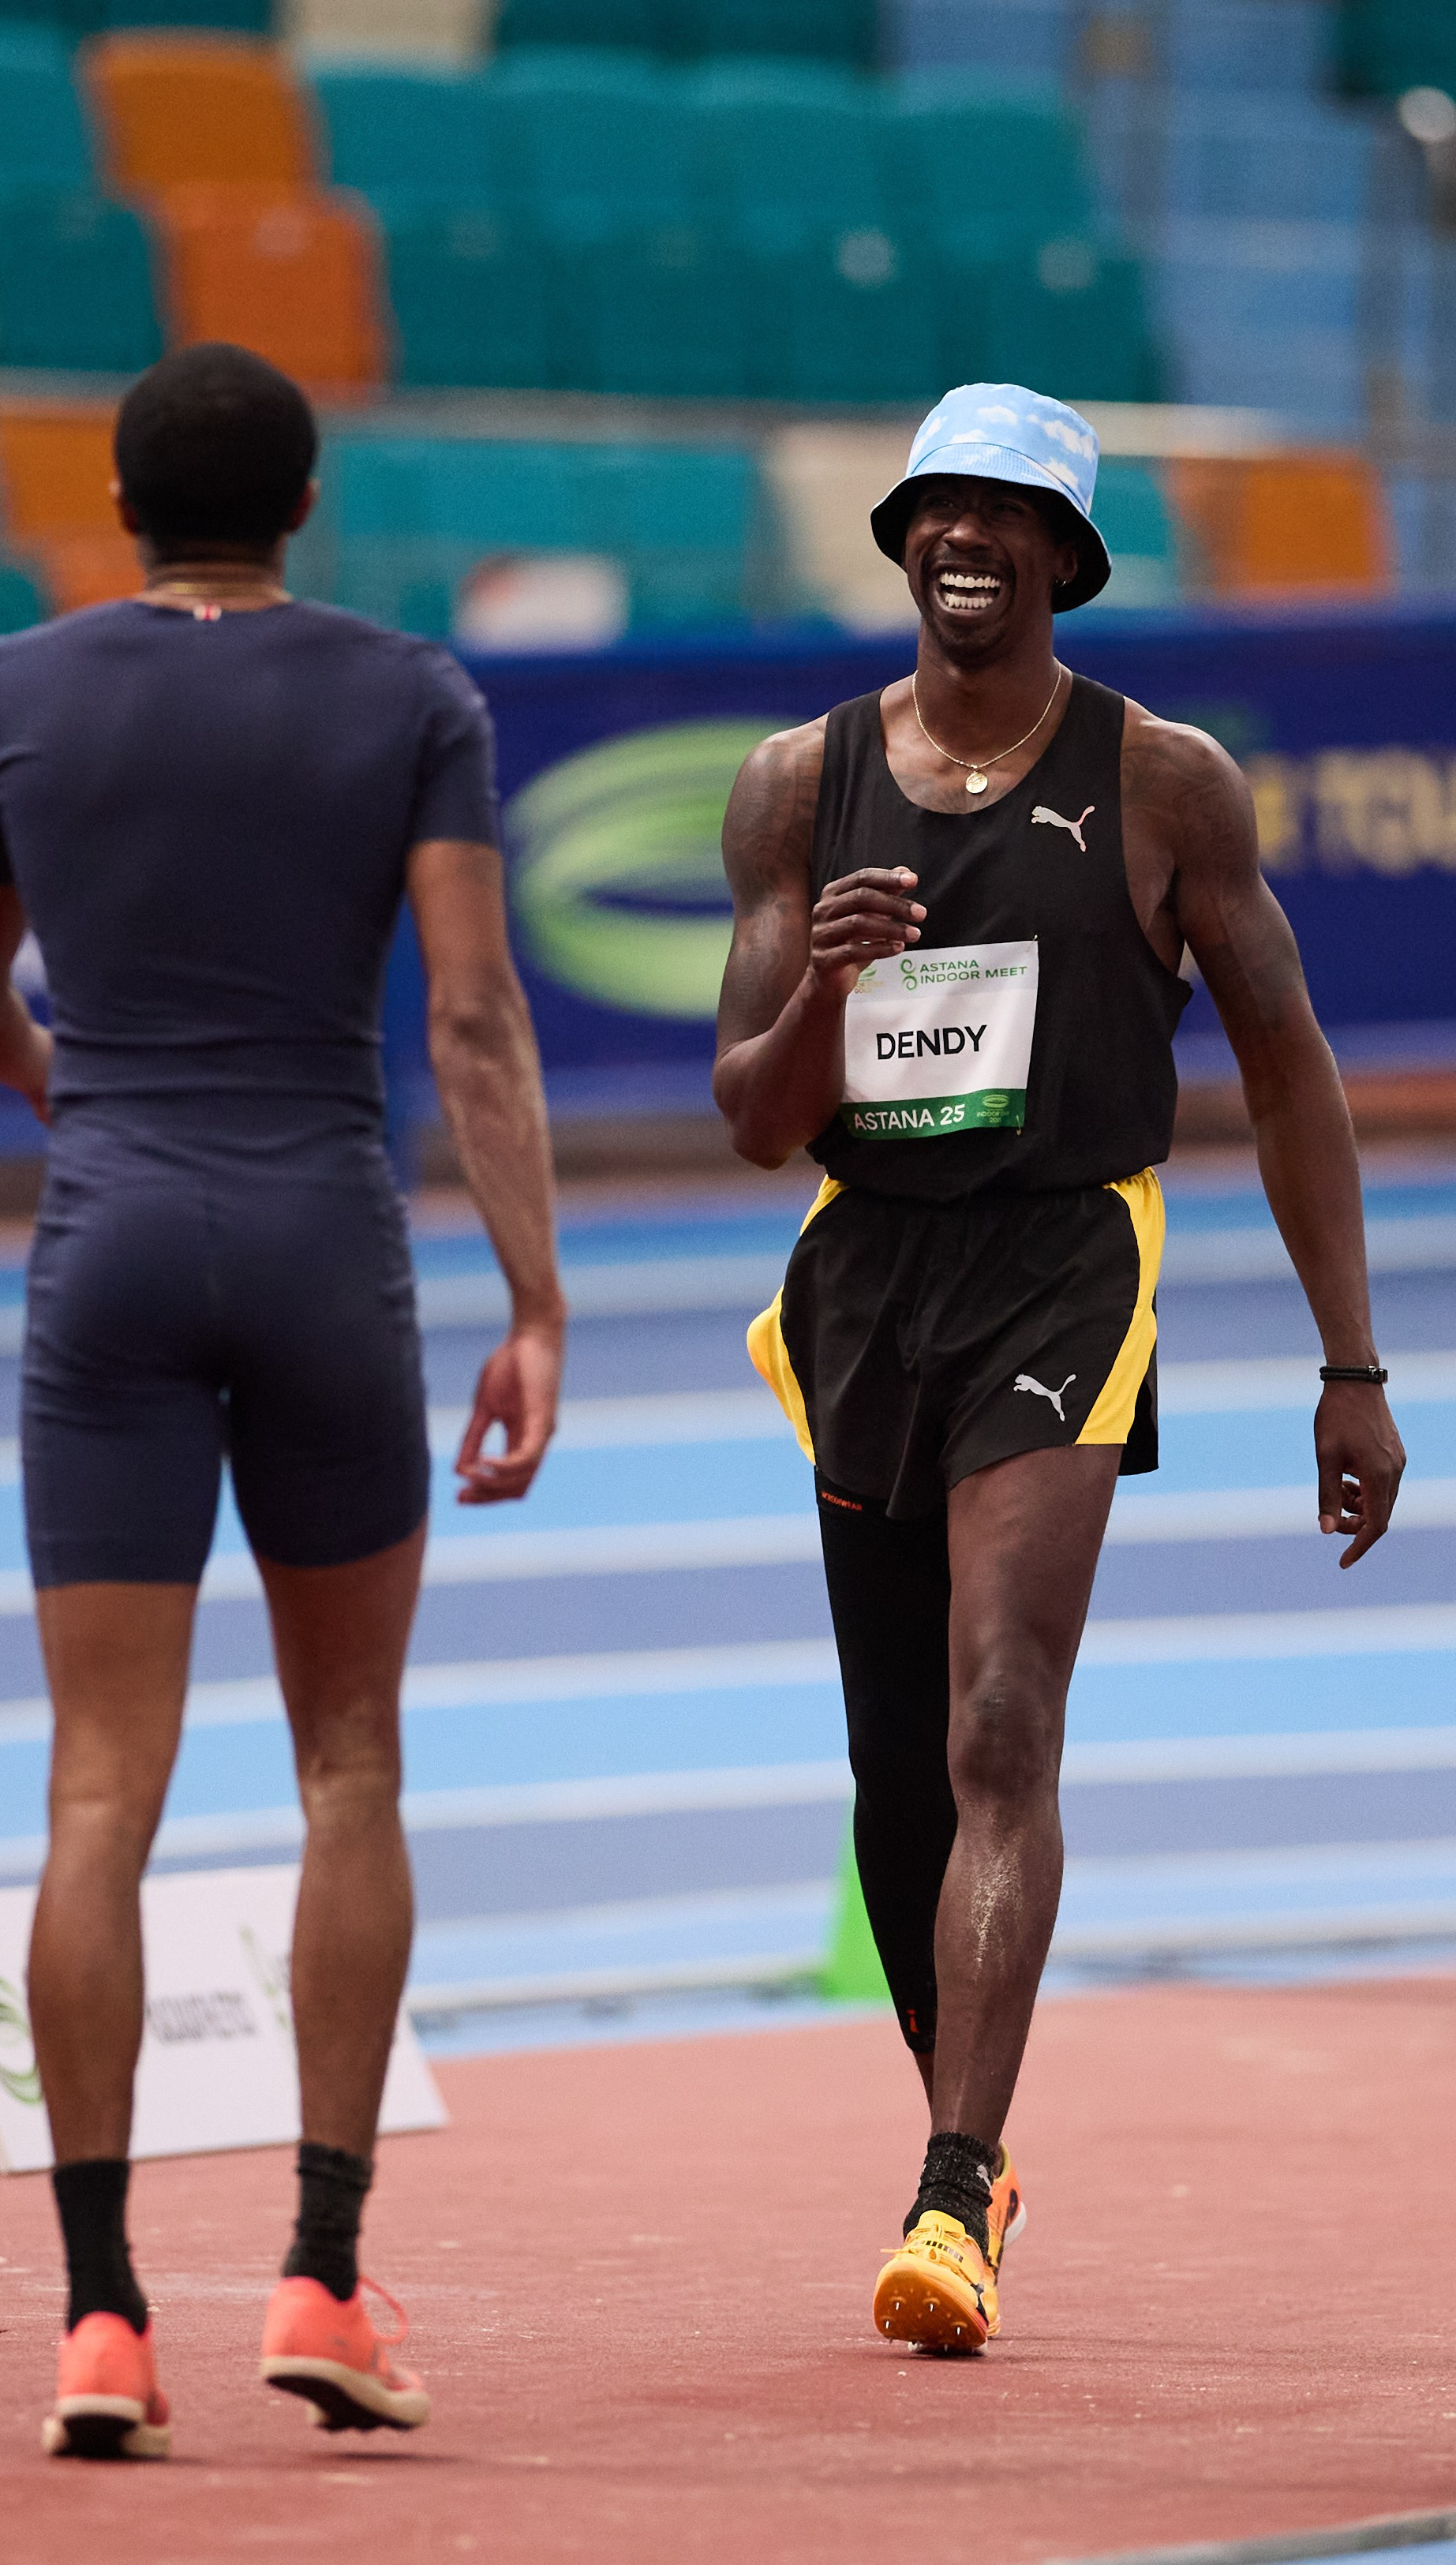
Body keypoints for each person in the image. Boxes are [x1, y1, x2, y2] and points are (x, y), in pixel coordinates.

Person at [713, 382, 1405, 2353]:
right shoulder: (794, 784)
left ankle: (949, 2198)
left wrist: (1347, 1360)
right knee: (894, 1780)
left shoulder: (1166, 784)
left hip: (1065, 1266)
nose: (965, 539)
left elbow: (1286, 1068)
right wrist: (833, 992)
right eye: (939, 507)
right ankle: (972, 2125)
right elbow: (756, 1118)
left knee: (1000, 1712)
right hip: (864, 1280)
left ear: (1063, 560)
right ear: (905, 535)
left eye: (1007, 518)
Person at [0, 343, 565, 2454]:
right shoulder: (411, 697)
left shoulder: (16, 687)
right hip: (320, 1243)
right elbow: (470, 1009)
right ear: (304, 505)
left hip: (105, 1244)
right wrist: (536, 1295)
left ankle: (102, 2317)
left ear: (122, 501)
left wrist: (59, 1090)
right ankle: (321, 2265)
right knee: (351, 1765)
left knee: (97, 1789)